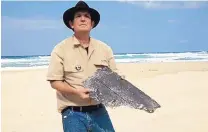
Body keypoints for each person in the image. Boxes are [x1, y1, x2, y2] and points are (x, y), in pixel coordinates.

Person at [47, 1, 123, 132]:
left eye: (87, 16)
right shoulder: (60, 49)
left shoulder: (105, 49)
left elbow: (114, 78)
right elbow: (55, 82)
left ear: (92, 23)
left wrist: (118, 84)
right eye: (78, 16)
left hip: (99, 110)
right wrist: (76, 91)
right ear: (71, 24)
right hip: (73, 112)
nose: (83, 19)